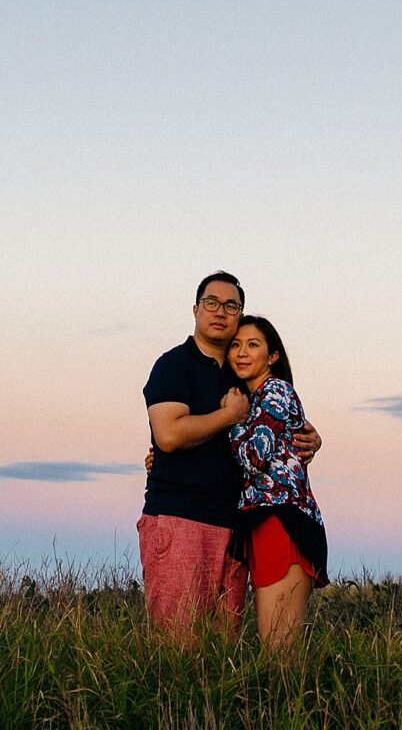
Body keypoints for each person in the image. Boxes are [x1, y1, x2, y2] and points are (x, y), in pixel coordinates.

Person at [138, 271, 320, 640]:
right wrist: (228, 416)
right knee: (179, 647)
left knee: (223, 653)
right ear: (195, 309)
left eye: (231, 305)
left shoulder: (241, 377)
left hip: (235, 528)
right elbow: (170, 435)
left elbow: (277, 424)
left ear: (240, 313)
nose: (220, 311)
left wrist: (312, 439)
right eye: (212, 303)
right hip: (182, 518)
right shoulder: (175, 364)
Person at [224, 315, 326, 652]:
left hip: (282, 524)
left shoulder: (276, 391)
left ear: (273, 357)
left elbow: (254, 458)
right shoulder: (253, 399)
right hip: (265, 523)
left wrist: (233, 420)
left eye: (253, 345)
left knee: (279, 652)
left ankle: (292, 706)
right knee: (274, 648)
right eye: (236, 345)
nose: (241, 352)